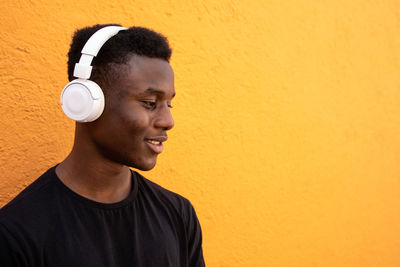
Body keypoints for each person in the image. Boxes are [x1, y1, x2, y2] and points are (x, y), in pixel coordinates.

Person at [0, 24, 205, 267]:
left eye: (168, 104)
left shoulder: (178, 214)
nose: (167, 121)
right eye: (150, 103)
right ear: (86, 102)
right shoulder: (15, 234)